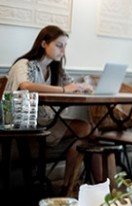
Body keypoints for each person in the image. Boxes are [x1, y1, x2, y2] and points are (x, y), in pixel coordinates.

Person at [6, 25, 99, 192]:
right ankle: (78, 187)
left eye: (65, 46)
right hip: (23, 122)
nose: (63, 51)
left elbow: (72, 85)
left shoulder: (55, 69)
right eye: (59, 45)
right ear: (43, 44)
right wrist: (64, 90)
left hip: (45, 121)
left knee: (88, 133)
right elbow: (25, 85)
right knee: (88, 130)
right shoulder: (24, 64)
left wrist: (84, 87)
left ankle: (71, 186)